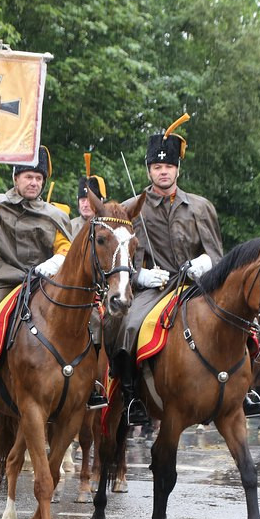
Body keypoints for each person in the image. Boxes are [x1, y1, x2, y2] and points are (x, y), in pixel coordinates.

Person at [109, 114, 223, 426]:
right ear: (149, 170)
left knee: (239, 322)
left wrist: (205, 262)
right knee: (129, 325)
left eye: (168, 167)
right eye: (157, 167)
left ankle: (242, 390)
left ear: (177, 169)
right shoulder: (132, 207)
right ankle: (131, 395)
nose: (163, 172)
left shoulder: (201, 207)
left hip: (197, 286)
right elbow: (116, 259)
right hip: (155, 289)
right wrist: (139, 276)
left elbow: (216, 253)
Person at [0, 146, 73, 424]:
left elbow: (66, 248)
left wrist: (54, 263)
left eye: (39, 178)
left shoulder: (55, 214)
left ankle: (85, 389)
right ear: (15, 178)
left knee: (87, 322)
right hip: (2, 283)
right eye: (28, 177)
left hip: (44, 285)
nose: (34, 183)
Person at [69, 164, 107, 237]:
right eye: (83, 201)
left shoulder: (107, 227)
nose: (85, 205)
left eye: (89, 201)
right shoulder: (69, 227)